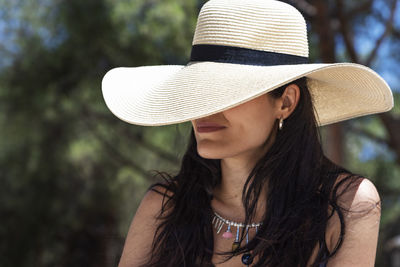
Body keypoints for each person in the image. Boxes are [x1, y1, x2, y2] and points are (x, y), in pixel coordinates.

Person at [102, 0, 394, 266]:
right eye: (197, 91)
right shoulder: (164, 207)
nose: (205, 109)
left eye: (227, 92)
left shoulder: (346, 206)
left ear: (287, 102)